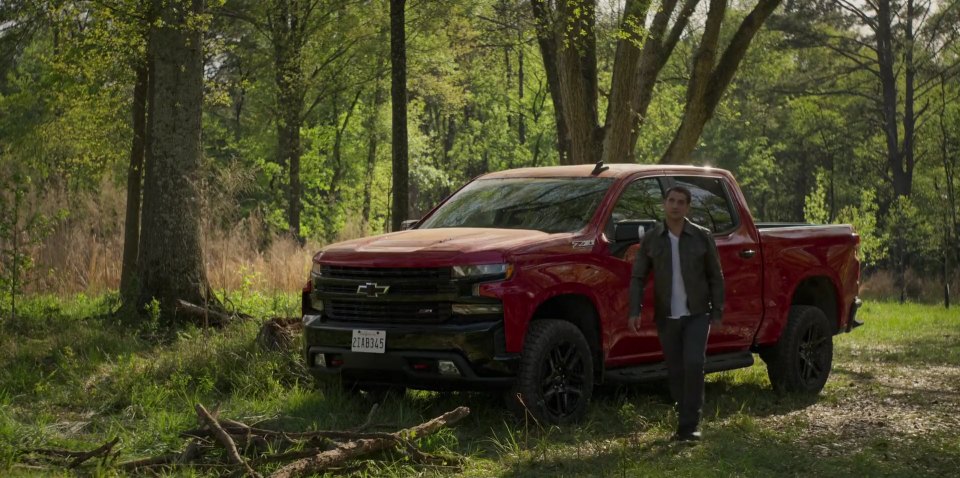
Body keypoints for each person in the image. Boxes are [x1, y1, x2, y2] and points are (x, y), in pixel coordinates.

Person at [628, 185, 725, 442]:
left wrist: (717, 312)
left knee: (694, 363)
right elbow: (638, 277)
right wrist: (634, 310)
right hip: (667, 315)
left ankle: (690, 427)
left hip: (697, 313)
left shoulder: (702, 236)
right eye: (671, 200)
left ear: (688, 207)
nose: (675, 205)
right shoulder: (651, 239)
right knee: (676, 370)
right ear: (664, 204)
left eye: (681, 202)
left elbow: (716, 276)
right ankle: (684, 419)